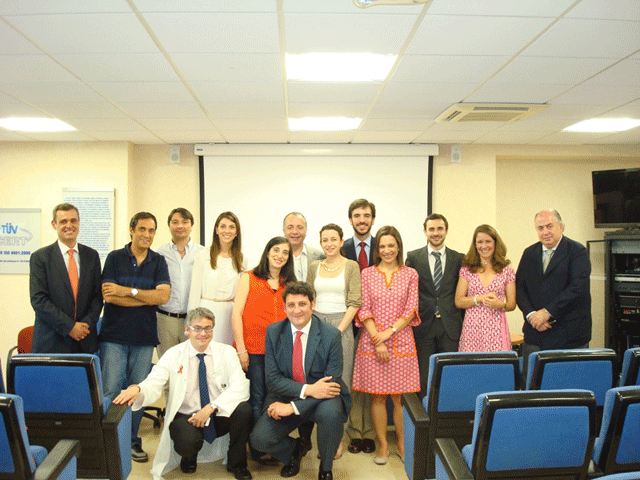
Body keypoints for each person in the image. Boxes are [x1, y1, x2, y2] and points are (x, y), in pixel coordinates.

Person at [113, 307, 253, 480]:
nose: (203, 333)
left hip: (216, 412)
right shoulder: (174, 354)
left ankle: (237, 463)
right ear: (187, 330)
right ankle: (189, 457)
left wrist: (211, 407)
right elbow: (155, 380)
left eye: (208, 328)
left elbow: (241, 385)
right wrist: (138, 388)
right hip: (187, 416)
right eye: (197, 328)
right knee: (187, 442)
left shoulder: (227, 352)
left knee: (244, 410)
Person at [250, 281, 351, 480]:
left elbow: (331, 384)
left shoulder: (330, 335)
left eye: (302, 304)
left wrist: (293, 408)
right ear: (284, 307)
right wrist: (307, 390)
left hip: (324, 398)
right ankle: (295, 450)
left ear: (313, 304)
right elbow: (273, 380)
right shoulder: (273, 332)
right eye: (291, 305)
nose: (297, 310)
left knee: (331, 413)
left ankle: (326, 468)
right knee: (259, 440)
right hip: (288, 393)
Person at [99, 212, 171, 463]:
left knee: (137, 391)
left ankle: (130, 442)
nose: (147, 235)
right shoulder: (115, 258)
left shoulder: (158, 261)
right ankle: (108, 442)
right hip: (113, 336)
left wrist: (127, 291)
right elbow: (108, 296)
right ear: (131, 230)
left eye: (152, 230)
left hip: (143, 337)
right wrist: (143, 297)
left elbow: (162, 297)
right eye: (142, 229)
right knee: (110, 390)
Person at [352, 226, 420, 465]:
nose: (387, 250)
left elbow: (411, 309)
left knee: (399, 398)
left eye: (391, 245)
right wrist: (377, 338)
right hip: (373, 342)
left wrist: (389, 333)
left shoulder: (410, 273)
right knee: (378, 398)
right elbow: (364, 308)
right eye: (382, 246)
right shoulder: (367, 274)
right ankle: (382, 445)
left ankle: (402, 443)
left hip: (401, 340)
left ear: (398, 246)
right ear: (377, 249)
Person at [231, 236, 296, 465]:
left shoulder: (290, 284)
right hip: (254, 350)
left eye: (285, 252)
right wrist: (241, 349)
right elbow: (236, 314)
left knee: (274, 399)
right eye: (275, 250)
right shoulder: (249, 277)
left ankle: (269, 442)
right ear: (267, 252)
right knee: (257, 399)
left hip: (281, 354)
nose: (280, 255)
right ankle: (258, 450)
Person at [307, 223, 362, 458]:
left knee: (341, 381)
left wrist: (338, 331)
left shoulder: (351, 266)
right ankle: (323, 435)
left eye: (333, 239)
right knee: (318, 381)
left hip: (342, 325)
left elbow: (355, 301)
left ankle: (339, 435)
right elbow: (309, 298)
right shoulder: (314, 266)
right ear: (321, 243)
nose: (329, 244)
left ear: (341, 242)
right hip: (316, 325)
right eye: (324, 240)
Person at [516, 209, 592, 376]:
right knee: (533, 390)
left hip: (569, 336)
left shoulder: (577, 252)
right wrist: (532, 315)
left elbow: (577, 288)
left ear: (561, 227)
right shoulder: (529, 254)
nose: (545, 232)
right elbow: (519, 288)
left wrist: (547, 313)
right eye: (540, 228)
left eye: (549, 226)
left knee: (568, 391)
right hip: (536, 333)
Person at [30, 203, 102, 353]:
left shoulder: (92, 256)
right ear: (54, 224)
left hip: (84, 340)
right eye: (63, 221)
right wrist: (70, 327)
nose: (69, 225)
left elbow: (97, 297)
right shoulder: (40, 257)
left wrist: (84, 326)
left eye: (73, 221)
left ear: (79, 223)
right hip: (51, 341)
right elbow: (39, 300)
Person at [405, 213, 464, 398]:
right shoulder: (413, 257)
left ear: (446, 230)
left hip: (450, 325)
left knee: (450, 376)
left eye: (440, 229)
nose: (435, 233)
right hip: (424, 325)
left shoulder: (458, 258)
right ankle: (425, 422)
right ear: (425, 231)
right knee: (423, 378)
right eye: (431, 229)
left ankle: (447, 422)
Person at [342, 198, 376, 454]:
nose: (362, 219)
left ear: (372, 219)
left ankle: (371, 431)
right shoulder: (340, 249)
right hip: (350, 323)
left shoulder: (384, 246)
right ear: (351, 219)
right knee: (354, 380)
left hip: (379, 324)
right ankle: (355, 432)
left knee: (374, 380)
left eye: (366, 215)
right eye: (357, 215)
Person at [455, 224, 516, 352]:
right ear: (475, 245)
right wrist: (479, 298)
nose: (484, 246)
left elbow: (511, 304)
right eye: (480, 242)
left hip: (497, 330)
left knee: (497, 368)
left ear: (495, 243)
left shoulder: (507, 271)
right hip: (472, 330)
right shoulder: (467, 270)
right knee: (471, 369)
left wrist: (500, 305)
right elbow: (459, 301)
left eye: (488, 241)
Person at [189, 211, 246, 345]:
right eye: (223, 226)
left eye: (232, 227)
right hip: (206, 312)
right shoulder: (202, 256)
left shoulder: (242, 259)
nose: (227, 231)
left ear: (237, 231)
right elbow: (194, 293)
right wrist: (192, 322)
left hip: (229, 316)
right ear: (216, 230)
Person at [156, 208, 205, 357]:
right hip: (165, 320)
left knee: (193, 365)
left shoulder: (203, 253)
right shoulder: (158, 253)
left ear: (191, 225)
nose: (180, 226)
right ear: (169, 225)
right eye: (175, 222)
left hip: (193, 319)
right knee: (167, 366)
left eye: (185, 222)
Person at [282, 212, 325, 281]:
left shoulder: (320, 257)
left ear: (306, 230)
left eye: (300, 227)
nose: (295, 232)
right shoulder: (278, 258)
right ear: (284, 230)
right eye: (290, 227)